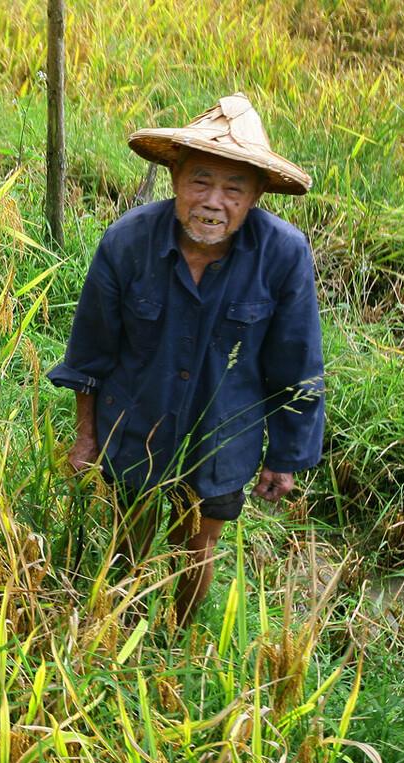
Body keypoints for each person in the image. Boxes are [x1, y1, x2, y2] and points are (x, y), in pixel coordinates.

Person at [47, 93, 325, 626]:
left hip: (222, 440)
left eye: (233, 188)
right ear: (175, 176)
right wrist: (86, 436)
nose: (213, 201)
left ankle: (176, 636)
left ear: (256, 196)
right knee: (127, 540)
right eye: (200, 181)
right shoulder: (127, 242)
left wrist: (285, 457)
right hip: (135, 428)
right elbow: (91, 351)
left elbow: (297, 365)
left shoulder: (284, 255)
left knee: (197, 549)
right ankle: (115, 630)